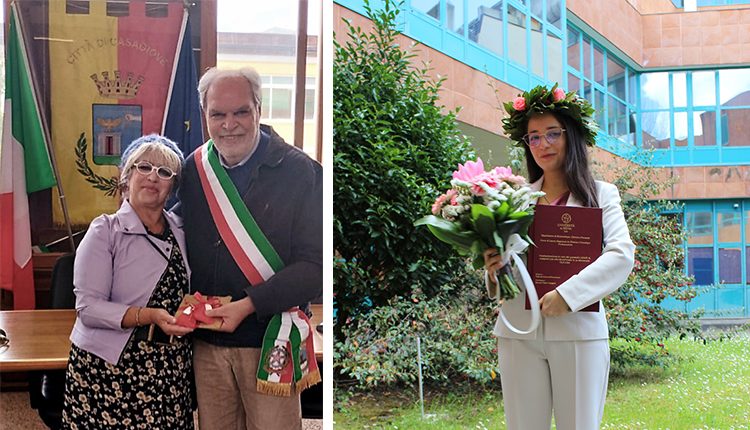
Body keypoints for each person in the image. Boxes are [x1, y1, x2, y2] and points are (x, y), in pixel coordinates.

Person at [176, 67, 322, 430]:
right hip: (207, 342)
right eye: (218, 114)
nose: (230, 124)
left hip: (270, 338)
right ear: (205, 115)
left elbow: (315, 268)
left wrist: (248, 304)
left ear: (259, 108)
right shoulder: (193, 171)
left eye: (241, 111)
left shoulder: (301, 171)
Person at [484, 84, 635, 430]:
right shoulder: (516, 197)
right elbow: (505, 265)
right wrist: (494, 270)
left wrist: (568, 296)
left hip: (579, 332)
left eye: (552, 133)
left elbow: (621, 254)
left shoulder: (601, 195)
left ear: (573, 137)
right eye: (533, 137)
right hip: (518, 332)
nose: (543, 144)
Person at [62, 135, 195, 429]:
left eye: (164, 172)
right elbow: (88, 308)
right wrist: (148, 316)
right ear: (126, 177)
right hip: (112, 367)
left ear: (172, 185)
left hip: (170, 366)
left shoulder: (182, 231)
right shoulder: (104, 231)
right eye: (143, 167)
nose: (152, 177)